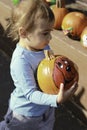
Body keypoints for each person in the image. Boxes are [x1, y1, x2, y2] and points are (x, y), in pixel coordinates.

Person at [0, 0, 78, 130]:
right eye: (45, 33)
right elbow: (30, 94)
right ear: (23, 33)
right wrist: (56, 100)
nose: (50, 38)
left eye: (50, 32)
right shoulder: (21, 61)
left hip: (45, 108)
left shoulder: (42, 45)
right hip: (25, 114)